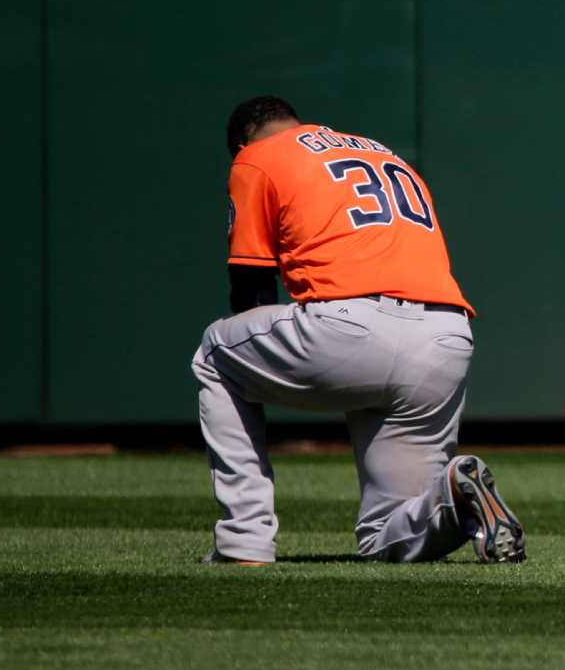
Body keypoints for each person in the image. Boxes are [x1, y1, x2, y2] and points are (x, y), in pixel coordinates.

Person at [193, 96, 525, 566]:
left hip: (351, 329)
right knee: (385, 535)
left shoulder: (257, 156)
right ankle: (453, 498)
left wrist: (274, 377)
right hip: (445, 338)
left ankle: (243, 542)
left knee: (215, 351)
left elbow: (251, 287)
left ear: (243, 141)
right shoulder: (381, 151)